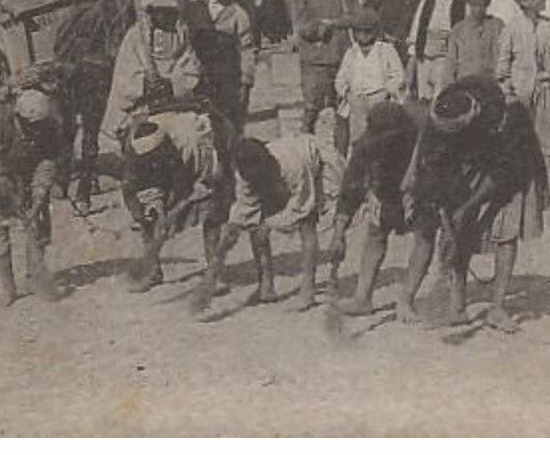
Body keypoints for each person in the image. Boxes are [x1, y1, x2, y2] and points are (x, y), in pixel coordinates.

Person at [399, 78, 547, 330]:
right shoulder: (444, 108)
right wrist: (445, 207)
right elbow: (433, 157)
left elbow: (501, 176)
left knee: (505, 230)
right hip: (468, 158)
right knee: (454, 229)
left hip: (512, 164)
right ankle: (457, 307)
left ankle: (497, 309)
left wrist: (468, 207)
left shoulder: (508, 117)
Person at [197, 134, 343, 316]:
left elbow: (301, 207)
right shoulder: (243, 171)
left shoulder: (293, 165)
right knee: (255, 225)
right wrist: (227, 240)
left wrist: (271, 223)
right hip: (276, 172)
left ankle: (308, 290)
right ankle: (266, 285)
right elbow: (245, 211)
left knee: (308, 224)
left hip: (313, 162)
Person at [120, 110, 234, 293]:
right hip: (168, 171)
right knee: (148, 218)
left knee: (212, 211)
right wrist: (146, 213)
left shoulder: (191, 143)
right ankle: (153, 272)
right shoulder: (133, 157)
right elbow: (130, 192)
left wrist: (180, 204)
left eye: (156, 158)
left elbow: (187, 183)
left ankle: (214, 273)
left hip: (203, 159)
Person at [52, 0, 137, 208]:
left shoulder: (124, 11)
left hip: (99, 73)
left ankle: (82, 187)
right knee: (72, 127)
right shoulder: (84, 14)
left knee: (90, 131)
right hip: (82, 74)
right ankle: (66, 178)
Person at [326, 100, 420, 315]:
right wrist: (339, 233)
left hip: (418, 187)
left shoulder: (418, 138)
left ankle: (407, 300)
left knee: (424, 237)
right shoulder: (365, 147)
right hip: (385, 190)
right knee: (375, 232)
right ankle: (362, 298)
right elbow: (350, 189)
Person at [0, 89, 65, 306]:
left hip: (26, 173)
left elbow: (48, 162)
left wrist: (38, 195)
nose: (36, 130)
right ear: (18, 116)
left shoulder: (51, 126)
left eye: (40, 125)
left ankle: (34, 277)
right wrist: (14, 200)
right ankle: (8, 288)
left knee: (39, 225)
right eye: (31, 125)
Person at [102, 0, 201, 141]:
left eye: (170, 12)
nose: (167, 16)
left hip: (174, 105)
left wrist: (171, 85)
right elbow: (124, 76)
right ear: (152, 11)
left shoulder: (180, 35)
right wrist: (144, 84)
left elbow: (191, 70)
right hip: (141, 108)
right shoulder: (135, 37)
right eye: (161, 11)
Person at [289, 0, 359, 144]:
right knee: (312, 109)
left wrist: (335, 22)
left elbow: (355, 17)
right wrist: (321, 27)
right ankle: (305, 150)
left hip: (342, 57)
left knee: (343, 110)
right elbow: (301, 24)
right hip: (316, 60)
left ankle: (340, 155)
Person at [496, 0, 550, 184]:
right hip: (520, 93)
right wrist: (508, 91)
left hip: (546, 91)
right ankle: (524, 181)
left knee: (549, 136)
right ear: (525, 2)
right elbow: (503, 66)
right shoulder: (512, 29)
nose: (543, 0)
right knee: (521, 138)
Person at [187, 0, 256, 130]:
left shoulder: (238, 14)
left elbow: (246, 49)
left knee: (228, 121)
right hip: (200, 75)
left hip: (227, 77)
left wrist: (246, 80)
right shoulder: (194, 10)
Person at [366, 0, 437, 95]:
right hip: (391, 50)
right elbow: (367, 16)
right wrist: (382, 35)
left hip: (420, 51)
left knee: (419, 92)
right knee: (392, 91)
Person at [333, 6, 406, 151]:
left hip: (379, 98)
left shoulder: (385, 50)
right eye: (359, 31)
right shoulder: (351, 52)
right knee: (358, 137)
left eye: (367, 31)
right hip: (357, 100)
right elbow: (340, 79)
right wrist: (347, 94)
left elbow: (398, 75)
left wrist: (387, 91)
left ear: (375, 31)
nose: (363, 35)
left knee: (381, 138)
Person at [411, 0, 469, 107]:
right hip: (425, 59)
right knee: (423, 102)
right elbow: (416, 31)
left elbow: (466, 33)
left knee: (442, 102)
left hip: (446, 60)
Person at [445, 0, 501, 85]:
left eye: (482, 5)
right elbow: (450, 62)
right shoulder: (459, 29)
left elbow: (502, 58)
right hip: (465, 84)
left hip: (490, 84)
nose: (478, 9)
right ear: (468, 3)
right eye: (474, 5)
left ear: (488, 3)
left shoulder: (497, 26)